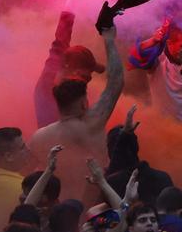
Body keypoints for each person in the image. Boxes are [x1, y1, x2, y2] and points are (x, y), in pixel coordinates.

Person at [30, 19, 124, 205]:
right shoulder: (91, 124)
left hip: (58, 211)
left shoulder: (38, 138)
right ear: (83, 103)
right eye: (86, 75)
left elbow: (23, 170)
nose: (88, 79)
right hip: (90, 209)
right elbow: (116, 82)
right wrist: (109, 41)